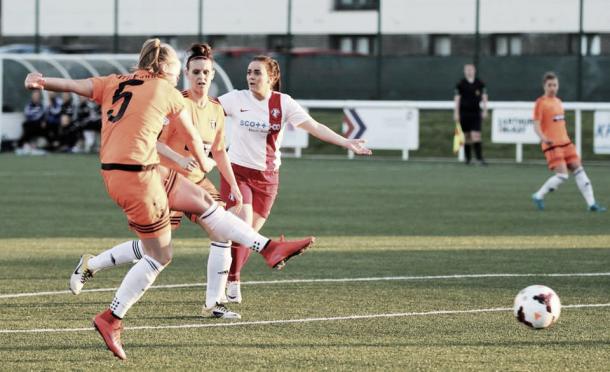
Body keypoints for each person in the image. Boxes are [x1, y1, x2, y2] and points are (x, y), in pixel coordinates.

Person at [26, 38, 313, 361]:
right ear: (163, 67)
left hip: (142, 170)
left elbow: (75, 85)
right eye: (180, 68)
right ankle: (111, 317)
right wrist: (205, 163)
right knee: (158, 255)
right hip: (136, 178)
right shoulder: (168, 92)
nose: (182, 75)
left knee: (207, 206)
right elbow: (192, 138)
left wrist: (42, 81)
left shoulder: (115, 81)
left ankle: (268, 248)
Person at [217, 55, 372, 304]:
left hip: (267, 178)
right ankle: (228, 284)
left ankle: (233, 278)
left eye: (257, 73)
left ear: (272, 77)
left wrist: (346, 142)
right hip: (237, 172)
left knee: (249, 235)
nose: (251, 77)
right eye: (249, 72)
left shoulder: (283, 103)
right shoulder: (235, 98)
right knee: (243, 225)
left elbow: (314, 126)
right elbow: (203, 109)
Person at [531, 72, 606, 212]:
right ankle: (538, 195)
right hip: (552, 145)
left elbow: (559, 124)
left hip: (566, 143)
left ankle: (592, 204)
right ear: (544, 86)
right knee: (563, 175)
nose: (552, 88)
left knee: (580, 170)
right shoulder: (540, 103)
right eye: (550, 85)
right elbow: (536, 125)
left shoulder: (558, 102)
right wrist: (544, 138)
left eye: (555, 85)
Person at [453, 63, 488, 165]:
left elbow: (485, 97)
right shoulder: (460, 84)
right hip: (464, 113)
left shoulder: (479, 83)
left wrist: (485, 110)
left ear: (474, 70)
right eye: (467, 70)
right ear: (464, 71)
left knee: (476, 135)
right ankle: (467, 159)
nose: (469, 71)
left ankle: (479, 158)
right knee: (467, 136)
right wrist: (456, 112)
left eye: (471, 69)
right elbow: (457, 99)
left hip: (476, 113)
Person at [15, 90, 47, 155]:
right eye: (35, 96)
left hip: (38, 126)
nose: (36, 97)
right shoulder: (28, 105)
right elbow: (27, 114)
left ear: (39, 97)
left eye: (37, 96)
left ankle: (22, 144)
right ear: (32, 96)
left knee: (40, 125)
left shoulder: (42, 106)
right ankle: (24, 145)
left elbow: (41, 114)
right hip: (31, 124)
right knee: (26, 125)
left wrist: (35, 118)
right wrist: (35, 118)